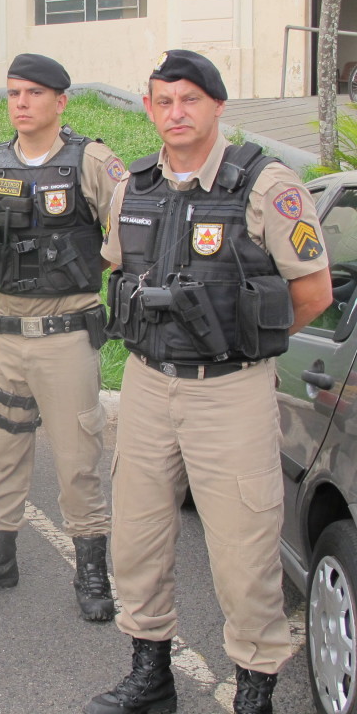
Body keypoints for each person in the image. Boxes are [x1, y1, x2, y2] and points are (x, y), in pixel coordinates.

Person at [85, 50, 332, 714]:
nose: (176, 113)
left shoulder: (266, 185)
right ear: (149, 108)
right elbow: (119, 269)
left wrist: (246, 347)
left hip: (229, 391)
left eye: (190, 99)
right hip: (145, 384)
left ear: (218, 106)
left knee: (244, 550)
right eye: (163, 101)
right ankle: (150, 673)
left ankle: (254, 690)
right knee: (137, 535)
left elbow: (312, 289)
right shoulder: (131, 188)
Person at [0, 53, 126, 623]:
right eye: (14, 93)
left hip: (65, 335)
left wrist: (79, 271)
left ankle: (92, 569)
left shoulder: (92, 162)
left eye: (34, 94)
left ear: (60, 101)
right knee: (2, 452)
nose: (21, 104)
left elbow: (123, 236)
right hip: (5, 333)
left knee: (77, 459)